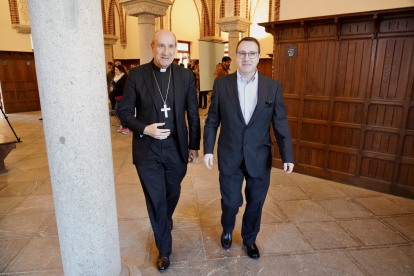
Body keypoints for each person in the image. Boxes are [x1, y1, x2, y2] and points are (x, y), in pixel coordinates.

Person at [203, 37, 294, 259]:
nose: (246, 58)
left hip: (259, 156)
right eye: (242, 53)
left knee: (256, 202)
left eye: (252, 53)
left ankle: (250, 239)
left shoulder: (272, 87)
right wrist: (207, 149)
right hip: (229, 154)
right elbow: (213, 119)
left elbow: (280, 123)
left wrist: (287, 155)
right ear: (235, 56)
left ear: (258, 56)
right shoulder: (222, 84)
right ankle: (227, 228)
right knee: (231, 202)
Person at [118, 29, 201, 271]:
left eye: (171, 47)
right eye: (161, 46)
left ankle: (164, 217)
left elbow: (193, 114)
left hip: (176, 147)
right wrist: (145, 128)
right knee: (156, 199)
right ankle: (164, 249)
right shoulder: (137, 74)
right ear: (152, 47)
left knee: (172, 191)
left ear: (175, 49)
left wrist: (194, 145)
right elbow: (124, 114)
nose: (166, 52)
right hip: (148, 150)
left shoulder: (186, 76)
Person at [109, 65, 131, 134]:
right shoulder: (116, 78)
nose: (115, 71)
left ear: (121, 70)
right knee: (117, 112)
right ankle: (124, 125)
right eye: (114, 70)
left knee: (124, 113)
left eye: (116, 70)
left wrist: (114, 90)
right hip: (117, 98)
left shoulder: (124, 77)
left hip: (123, 98)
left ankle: (129, 127)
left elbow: (124, 89)